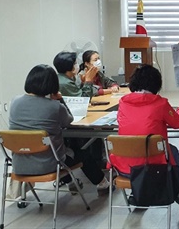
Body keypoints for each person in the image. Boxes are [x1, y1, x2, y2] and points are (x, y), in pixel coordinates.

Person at [9, 65, 111, 194]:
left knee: (61, 148)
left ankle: (71, 181)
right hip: (49, 163)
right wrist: (60, 99)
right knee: (82, 153)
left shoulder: (14, 102)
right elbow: (69, 120)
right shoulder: (54, 106)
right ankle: (102, 184)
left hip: (19, 163)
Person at [110, 64, 179, 211]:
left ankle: (139, 192)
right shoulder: (160, 103)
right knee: (172, 151)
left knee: (162, 149)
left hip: (123, 167)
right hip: (155, 168)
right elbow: (178, 123)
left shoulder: (123, 102)